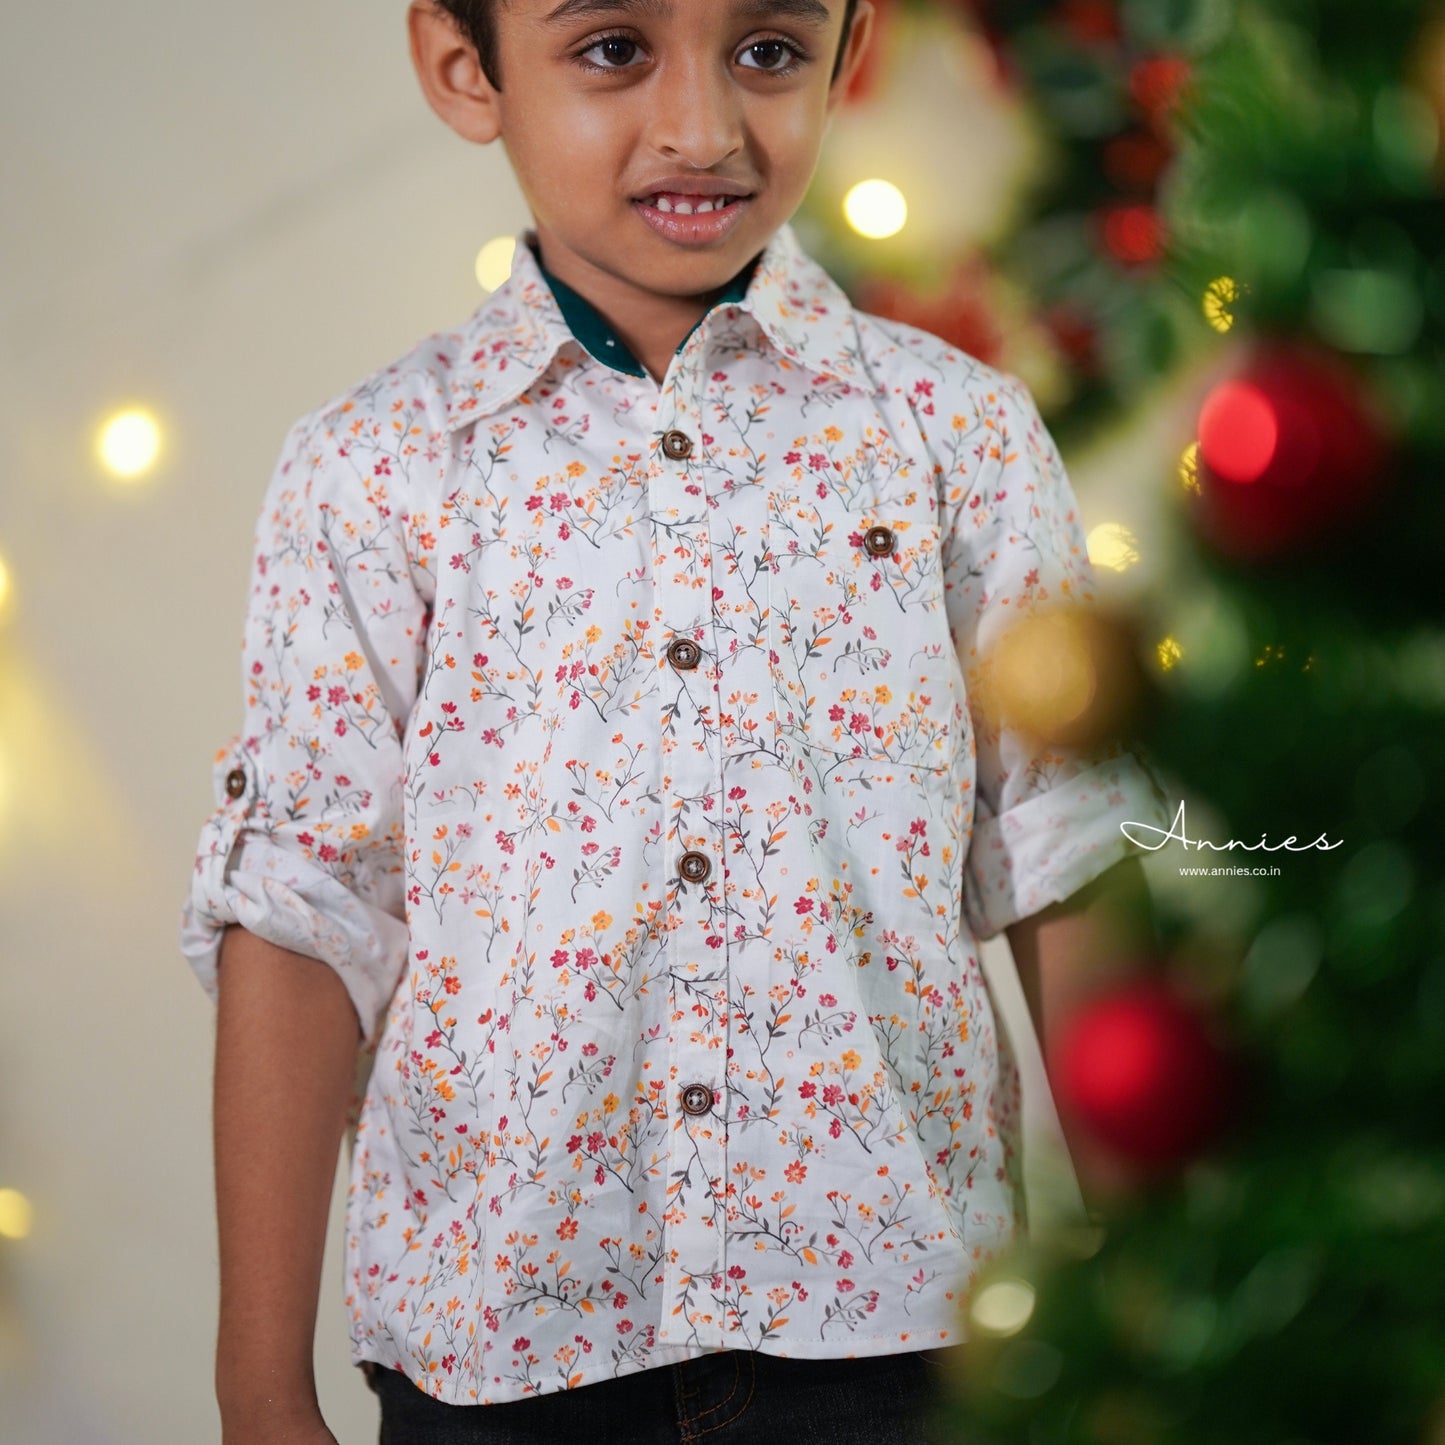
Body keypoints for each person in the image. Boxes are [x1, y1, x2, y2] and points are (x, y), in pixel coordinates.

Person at [180, 1, 1174, 1440]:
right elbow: (304, 902)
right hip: (501, 1351)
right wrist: (259, 1386)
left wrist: (1159, 1306)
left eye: (767, 50)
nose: (703, 130)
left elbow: (1064, 852)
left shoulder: (955, 437)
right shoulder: (374, 468)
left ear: (849, 47)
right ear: (468, 69)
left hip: (903, 1339)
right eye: (612, 50)